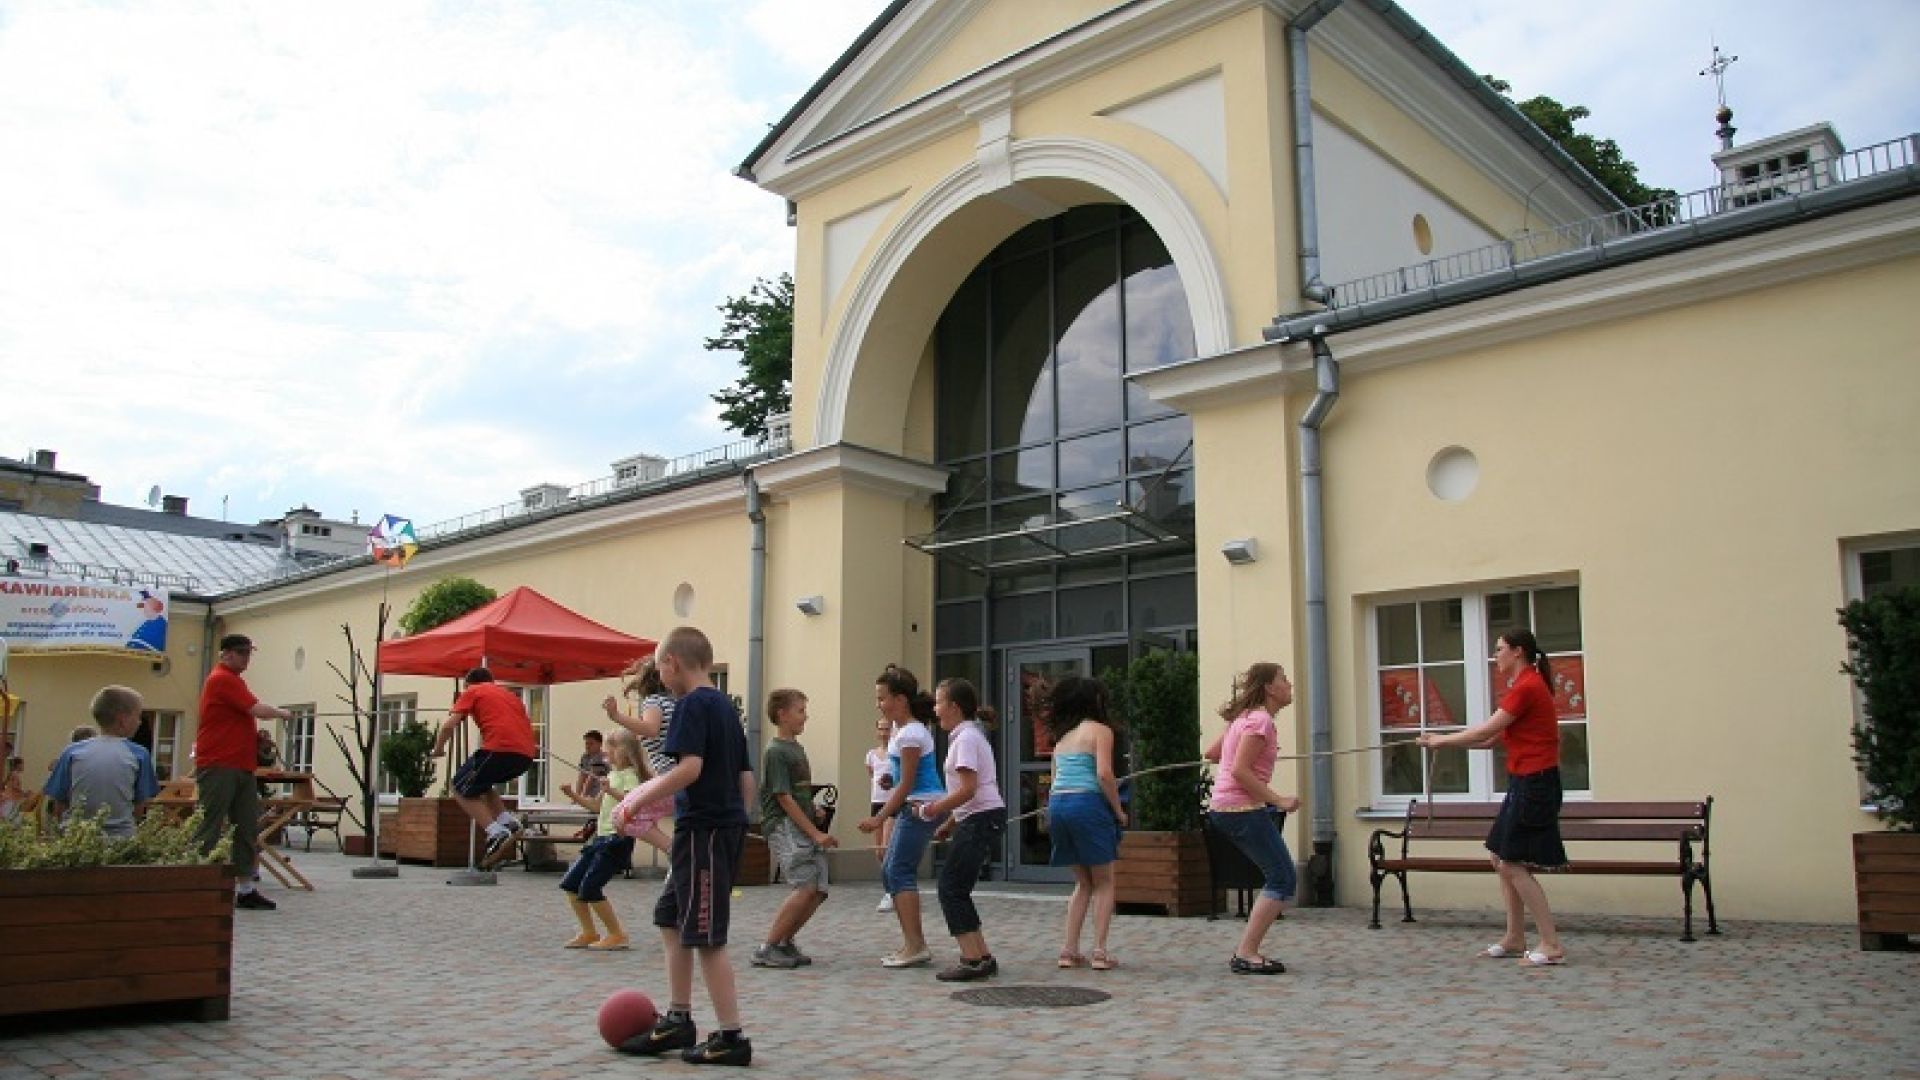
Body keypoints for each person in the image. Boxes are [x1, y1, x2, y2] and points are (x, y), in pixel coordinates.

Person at [609, 625, 755, 1066]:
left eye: (659, 668)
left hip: (707, 832)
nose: (659, 677)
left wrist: (634, 798)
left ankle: (731, 1037)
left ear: (671, 663)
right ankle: (678, 1019)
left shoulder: (691, 705)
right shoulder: (726, 707)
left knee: (706, 936)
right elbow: (745, 776)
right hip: (708, 829)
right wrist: (741, 822)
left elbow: (689, 768)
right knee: (671, 918)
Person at [1418, 628, 1568, 966]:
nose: (1495, 654)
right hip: (1524, 782)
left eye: (1499, 649)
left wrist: (1442, 741)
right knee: (1499, 857)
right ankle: (1515, 937)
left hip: (1536, 783)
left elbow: (1486, 730)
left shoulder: (1528, 686)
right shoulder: (1522, 686)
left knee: (1512, 862)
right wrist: (1440, 740)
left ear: (1517, 652)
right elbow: (1489, 741)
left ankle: (1550, 943)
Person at [1202, 662, 1302, 975]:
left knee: (1279, 876)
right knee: (1283, 877)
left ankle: (1247, 950)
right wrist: (1279, 799)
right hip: (1241, 809)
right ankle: (1246, 953)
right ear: (1270, 688)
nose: (1289, 684)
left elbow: (1213, 753)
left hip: (1225, 809)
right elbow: (1240, 770)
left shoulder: (1244, 719)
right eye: (1283, 679)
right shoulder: (1260, 722)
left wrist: (1242, 744)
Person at [915, 677, 1006, 982]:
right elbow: (973, 791)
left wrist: (932, 810)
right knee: (958, 888)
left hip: (980, 819)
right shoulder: (967, 736)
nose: (935, 709)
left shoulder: (965, 738)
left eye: (939, 702)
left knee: (951, 888)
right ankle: (981, 956)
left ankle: (972, 960)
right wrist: (950, 823)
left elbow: (968, 789)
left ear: (954, 706)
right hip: (980, 817)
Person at [194, 634, 294, 910]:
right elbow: (257, 709)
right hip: (218, 764)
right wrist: (282, 713)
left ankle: (246, 888)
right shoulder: (222, 678)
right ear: (225, 654)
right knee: (210, 825)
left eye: (248, 653)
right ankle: (200, 884)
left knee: (246, 826)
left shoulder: (234, 680)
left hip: (240, 765)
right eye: (241, 652)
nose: (246, 658)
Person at [856, 665, 944, 969]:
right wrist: (887, 782)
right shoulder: (902, 733)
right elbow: (901, 779)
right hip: (913, 804)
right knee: (890, 871)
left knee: (899, 871)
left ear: (900, 700)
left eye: (883, 698)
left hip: (919, 807)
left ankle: (916, 945)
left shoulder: (911, 734)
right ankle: (912, 942)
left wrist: (879, 819)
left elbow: (908, 784)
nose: (879, 704)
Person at [1044, 674, 1127, 971]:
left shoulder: (1062, 739)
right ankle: (1100, 952)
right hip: (1087, 805)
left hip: (1059, 806)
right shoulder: (1100, 732)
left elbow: (1054, 781)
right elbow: (1104, 774)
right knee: (1104, 882)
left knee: (1083, 882)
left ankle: (1068, 950)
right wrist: (1118, 811)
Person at [558, 729, 667, 951]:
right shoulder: (611, 776)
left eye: (611, 751)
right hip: (600, 837)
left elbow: (633, 803)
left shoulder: (632, 777)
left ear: (624, 752)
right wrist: (573, 795)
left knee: (590, 887)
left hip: (617, 839)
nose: (607, 756)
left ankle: (617, 934)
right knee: (571, 884)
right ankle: (589, 931)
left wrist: (612, 790)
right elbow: (597, 807)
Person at [752, 688, 838, 969]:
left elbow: (797, 793)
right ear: (782, 714)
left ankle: (784, 941)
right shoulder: (776, 751)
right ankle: (768, 946)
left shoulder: (795, 748)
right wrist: (815, 833)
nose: (805, 716)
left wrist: (813, 810)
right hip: (785, 826)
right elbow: (783, 798)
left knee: (819, 888)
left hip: (802, 824)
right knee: (805, 886)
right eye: (800, 710)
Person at [430, 667, 538, 870]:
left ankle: (494, 831)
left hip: (499, 749)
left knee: (458, 786)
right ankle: (507, 821)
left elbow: (448, 726)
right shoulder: (510, 695)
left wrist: (438, 749)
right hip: (525, 755)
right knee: (481, 783)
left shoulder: (473, 691)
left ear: (468, 684)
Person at [44, 685, 158, 838]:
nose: (139, 722)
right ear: (122, 720)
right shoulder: (139, 754)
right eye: (138, 716)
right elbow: (139, 806)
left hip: (76, 835)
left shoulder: (72, 751)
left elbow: (59, 803)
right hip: (120, 838)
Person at [603, 656, 676, 777]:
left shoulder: (653, 701)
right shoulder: (671, 702)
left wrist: (616, 716)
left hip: (667, 768)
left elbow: (651, 729)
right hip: (673, 764)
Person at [865, 715, 895, 912]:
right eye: (881, 729)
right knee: (879, 851)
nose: (884, 733)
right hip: (876, 803)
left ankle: (891, 892)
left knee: (887, 847)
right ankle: (891, 888)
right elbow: (871, 774)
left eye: (887, 729)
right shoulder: (871, 755)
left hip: (891, 805)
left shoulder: (897, 753)